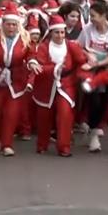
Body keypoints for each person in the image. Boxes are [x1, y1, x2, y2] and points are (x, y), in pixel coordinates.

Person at [31, 15, 88, 156]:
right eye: (57, 32)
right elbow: (40, 67)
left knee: (65, 115)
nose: (60, 35)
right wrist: (55, 68)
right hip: (46, 85)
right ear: (51, 33)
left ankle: (64, 147)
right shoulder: (44, 47)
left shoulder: (71, 46)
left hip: (66, 84)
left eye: (62, 32)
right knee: (44, 116)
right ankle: (42, 144)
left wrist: (87, 64)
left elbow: (81, 60)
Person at [0, 7, 33, 157]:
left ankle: (7, 144)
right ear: (3, 24)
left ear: (18, 25)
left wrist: (32, 62)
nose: (11, 27)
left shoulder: (25, 37)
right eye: (8, 24)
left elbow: (32, 54)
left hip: (16, 80)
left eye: (14, 24)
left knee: (11, 114)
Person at [77, 1, 108, 152]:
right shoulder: (87, 30)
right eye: (90, 16)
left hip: (106, 68)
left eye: (94, 16)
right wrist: (88, 54)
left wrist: (99, 63)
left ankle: (91, 128)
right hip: (89, 69)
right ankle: (94, 134)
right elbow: (80, 46)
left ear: (104, 16)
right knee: (93, 99)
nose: (91, 19)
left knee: (105, 100)